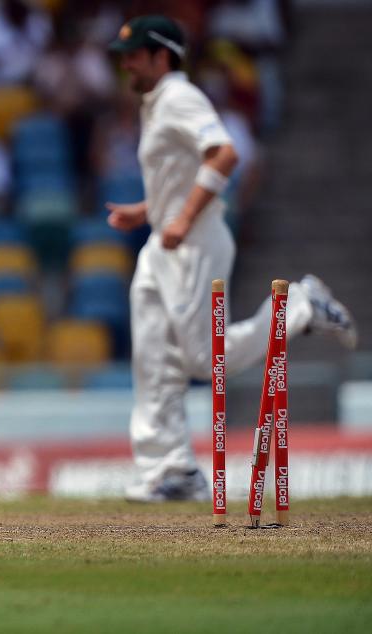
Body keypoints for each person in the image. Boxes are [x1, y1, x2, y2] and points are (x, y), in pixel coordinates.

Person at [105, 16, 357, 503]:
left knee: (201, 358)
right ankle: (170, 468)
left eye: (135, 54)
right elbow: (177, 173)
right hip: (165, 241)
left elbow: (223, 154)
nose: (127, 63)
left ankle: (300, 306)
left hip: (195, 240)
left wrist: (181, 219)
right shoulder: (153, 103)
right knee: (154, 354)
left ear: (163, 57)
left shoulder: (180, 97)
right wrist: (149, 211)